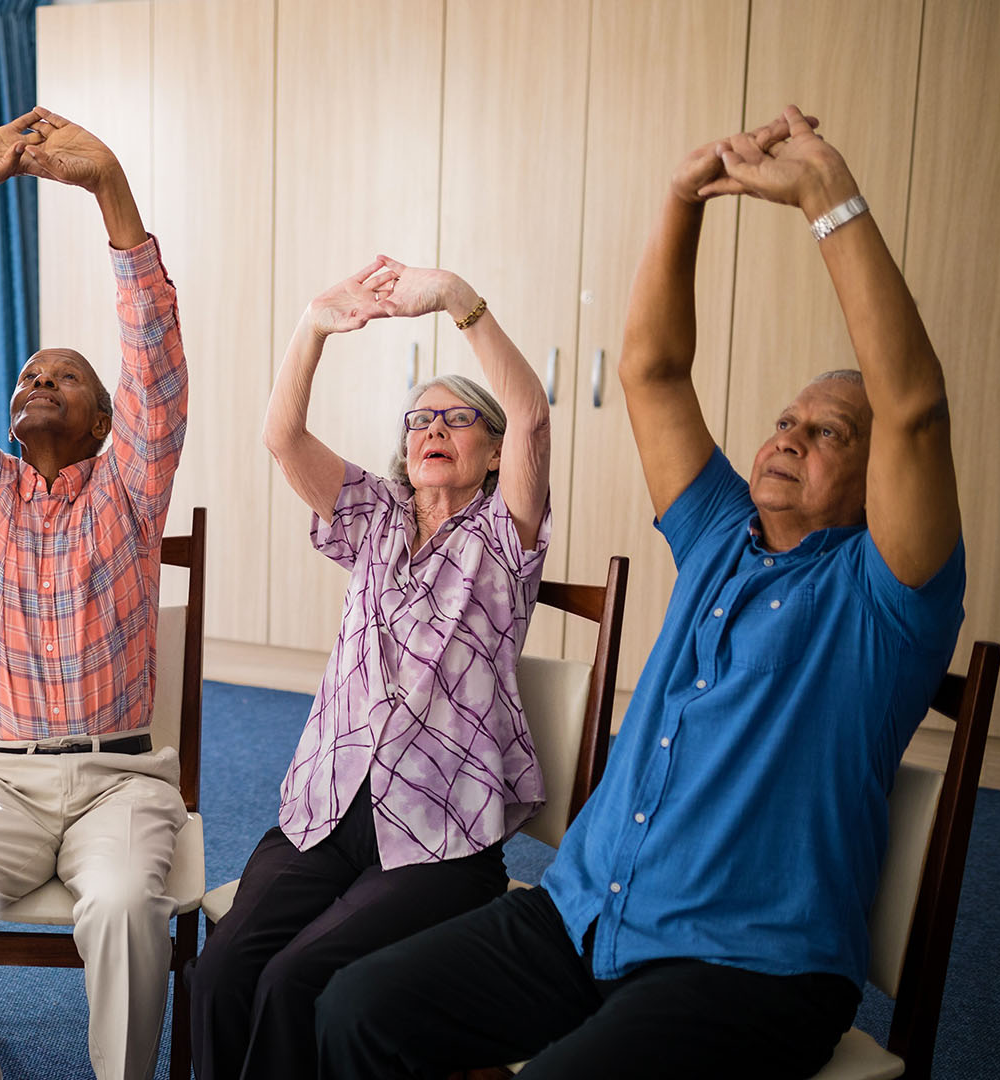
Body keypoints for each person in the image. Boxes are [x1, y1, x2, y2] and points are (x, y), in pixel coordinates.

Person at [315, 107, 965, 1080]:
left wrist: (828, 197)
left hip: (743, 969)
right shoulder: (720, 535)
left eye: (829, 433)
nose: (789, 435)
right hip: (584, 914)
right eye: (787, 419)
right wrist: (680, 197)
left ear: (882, 484)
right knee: (354, 1011)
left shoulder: (885, 599)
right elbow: (653, 372)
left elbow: (914, 411)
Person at [188, 259, 552, 1079]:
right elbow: (283, 437)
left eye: (459, 421)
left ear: (492, 454)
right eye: (420, 419)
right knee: (219, 975)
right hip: (327, 802)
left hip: (441, 834)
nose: (433, 429)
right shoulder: (377, 517)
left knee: (293, 982)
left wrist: (461, 301)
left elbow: (531, 416)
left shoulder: (502, 540)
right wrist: (313, 326)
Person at [0, 107, 187, 1080]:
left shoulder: (130, 487)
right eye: (28, 375)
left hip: (119, 784)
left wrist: (109, 186)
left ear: (107, 420)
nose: (36, 381)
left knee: (121, 906)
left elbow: (154, 360)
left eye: (62, 378)